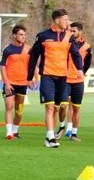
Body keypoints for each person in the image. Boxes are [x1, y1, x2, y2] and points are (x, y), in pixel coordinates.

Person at [28, 9, 84, 148]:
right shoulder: (43, 36)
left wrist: (80, 69)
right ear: (57, 20)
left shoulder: (69, 37)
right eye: (65, 19)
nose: (68, 22)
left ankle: (52, 134)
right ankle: (50, 137)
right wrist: (29, 77)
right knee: (49, 107)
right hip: (47, 76)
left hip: (63, 78)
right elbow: (34, 56)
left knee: (58, 107)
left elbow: (76, 54)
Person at [59, 22, 92, 141]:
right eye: (70, 31)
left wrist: (82, 71)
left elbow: (87, 62)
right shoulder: (66, 42)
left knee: (76, 108)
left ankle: (73, 133)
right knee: (63, 106)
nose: (72, 33)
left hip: (78, 81)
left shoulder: (87, 46)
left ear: (80, 32)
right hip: (65, 79)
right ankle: (62, 126)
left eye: (74, 31)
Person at [0, 25, 32, 140]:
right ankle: (9, 133)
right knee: (9, 106)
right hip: (10, 83)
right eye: (21, 34)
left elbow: (32, 65)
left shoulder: (28, 49)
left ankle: (15, 131)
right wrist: (6, 83)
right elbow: (2, 66)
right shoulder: (7, 49)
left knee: (19, 110)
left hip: (23, 83)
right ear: (14, 35)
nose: (23, 37)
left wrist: (32, 78)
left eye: (24, 34)